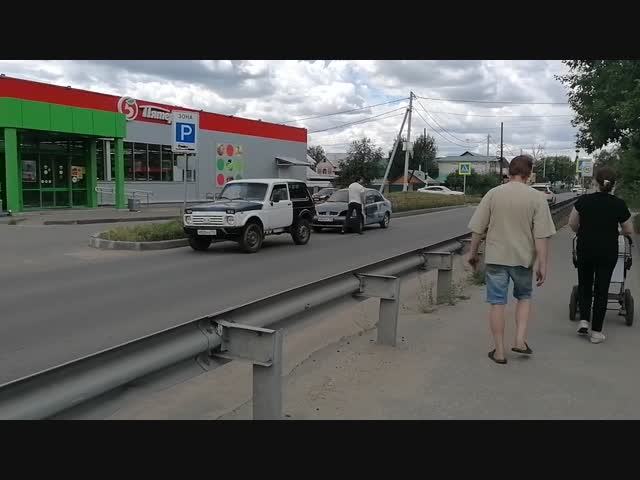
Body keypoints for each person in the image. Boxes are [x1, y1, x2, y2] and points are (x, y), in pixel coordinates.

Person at [466, 155, 556, 364]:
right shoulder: (537, 198)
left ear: (509, 172)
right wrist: (543, 264)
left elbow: (478, 229)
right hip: (523, 259)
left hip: (497, 258)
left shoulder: (493, 194)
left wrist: (472, 253)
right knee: (524, 297)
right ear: (529, 173)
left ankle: (499, 351)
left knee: (497, 303)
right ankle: (520, 340)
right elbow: (541, 236)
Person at [568, 167, 633, 344]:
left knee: (585, 284)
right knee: (601, 290)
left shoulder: (584, 200)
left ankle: (583, 321)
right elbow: (629, 229)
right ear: (614, 185)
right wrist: (617, 230)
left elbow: (572, 223)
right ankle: (596, 332)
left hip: (585, 249)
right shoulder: (619, 204)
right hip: (607, 251)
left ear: (595, 182)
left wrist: (583, 229)